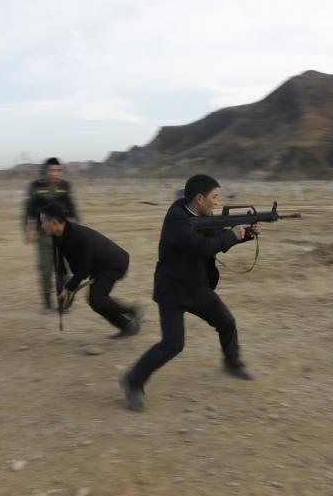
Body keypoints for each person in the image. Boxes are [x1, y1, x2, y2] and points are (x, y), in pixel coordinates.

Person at [120, 174, 260, 411]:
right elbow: (201, 247)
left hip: (197, 287)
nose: (216, 202)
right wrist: (232, 234)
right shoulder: (176, 221)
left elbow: (217, 238)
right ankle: (132, 381)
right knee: (172, 344)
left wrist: (246, 233)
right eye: (214, 197)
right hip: (172, 291)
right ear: (199, 199)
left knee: (226, 322)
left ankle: (232, 362)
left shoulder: (202, 216)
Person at [40, 204, 143, 338]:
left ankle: (131, 313)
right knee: (95, 301)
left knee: (97, 298)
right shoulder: (57, 236)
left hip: (113, 263)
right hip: (98, 266)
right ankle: (128, 324)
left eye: (43, 222)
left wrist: (69, 288)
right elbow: (59, 265)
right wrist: (60, 286)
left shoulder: (80, 235)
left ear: (54, 222)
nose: (41, 226)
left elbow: (84, 268)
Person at [22, 158, 79, 313]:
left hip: (64, 235)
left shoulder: (65, 186)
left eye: (57, 170)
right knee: (45, 270)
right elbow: (27, 210)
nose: (54, 173)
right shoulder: (35, 187)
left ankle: (64, 303)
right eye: (51, 170)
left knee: (64, 271)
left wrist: (79, 232)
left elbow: (73, 210)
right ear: (45, 171)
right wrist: (26, 229)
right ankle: (47, 303)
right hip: (44, 236)